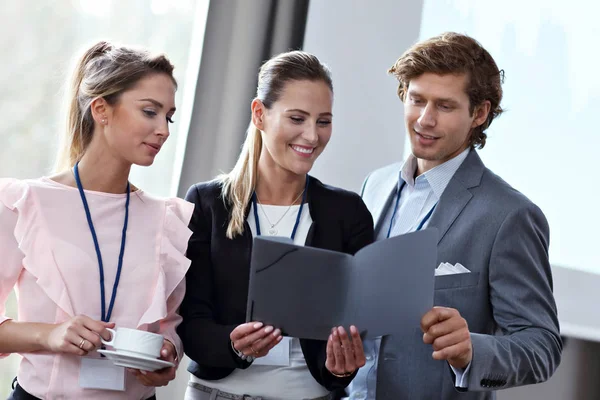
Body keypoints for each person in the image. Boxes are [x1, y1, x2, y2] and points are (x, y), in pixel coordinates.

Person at [346, 32, 562, 399]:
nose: (424, 120)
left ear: (479, 113)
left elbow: (541, 346)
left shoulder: (510, 215)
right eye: (416, 100)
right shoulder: (374, 185)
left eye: (444, 106)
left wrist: (471, 351)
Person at [0, 41, 193, 399]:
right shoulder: (23, 203)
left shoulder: (167, 218)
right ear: (101, 109)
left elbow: (170, 328)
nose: (164, 130)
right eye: (150, 112)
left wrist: (168, 354)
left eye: (168, 116)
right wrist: (49, 334)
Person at [178, 50, 373, 400]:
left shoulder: (348, 213)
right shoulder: (207, 204)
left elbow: (357, 325)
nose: (312, 136)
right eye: (297, 118)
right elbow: (190, 321)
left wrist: (341, 365)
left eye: (323, 121)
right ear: (259, 114)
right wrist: (232, 344)